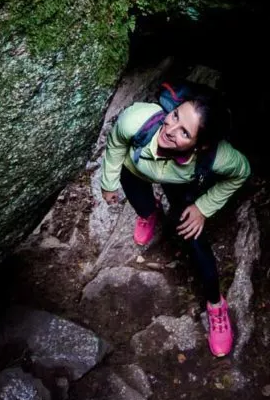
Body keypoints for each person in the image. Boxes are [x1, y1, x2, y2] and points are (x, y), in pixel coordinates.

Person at [100, 87, 250, 357]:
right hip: (136, 170)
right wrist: (109, 182)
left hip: (179, 181)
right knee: (142, 203)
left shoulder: (215, 156)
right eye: (176, 116)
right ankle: (150, 213)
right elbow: (116, 142)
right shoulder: (137, 120)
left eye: (185, 132)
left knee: (194, 240)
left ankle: (216, 305)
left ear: (200, 145)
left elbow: (241, 172)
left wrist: (203, 208)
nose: (170, 129)